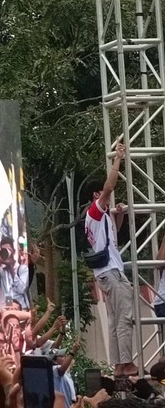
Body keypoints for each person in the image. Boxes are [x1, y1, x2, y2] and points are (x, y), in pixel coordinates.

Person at [85, 142, 138, 377]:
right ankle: (126, 362)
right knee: (124, 317)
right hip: (111, 271)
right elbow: (109, 186)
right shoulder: (95, 210)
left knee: (116, 320)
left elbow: (111, 240)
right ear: (96, 195)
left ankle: (119, 364)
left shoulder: (99, 218)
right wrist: (118, 160)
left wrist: (120, 217)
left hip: (105, 272)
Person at [0, 237, 29, 310]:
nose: (6, 252)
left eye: (9, 250)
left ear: (14, 251)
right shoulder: (1, 270)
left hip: (20, 309)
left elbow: (21, 289)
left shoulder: (23, 269)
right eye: (4, 250)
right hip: (5, 310)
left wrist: (10, 268)